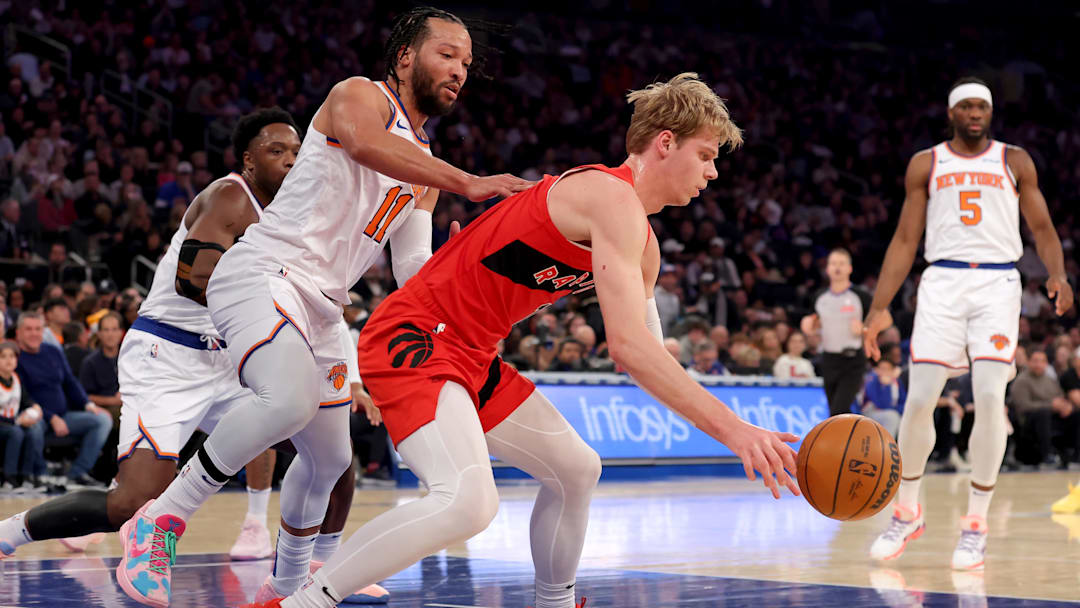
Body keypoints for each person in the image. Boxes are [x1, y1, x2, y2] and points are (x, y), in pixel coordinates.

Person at [245, 72, 799, 608]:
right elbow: (629, 347)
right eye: (706, 156)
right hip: (414, 336)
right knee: (467, 503)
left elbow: (644, 360)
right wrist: (737, 431)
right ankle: (301, 604)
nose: (713, 173)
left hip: (470, 354)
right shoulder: (609, 197)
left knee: (578, 470)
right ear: (664, 142)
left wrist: (727, 422)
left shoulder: (643, 244)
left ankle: (553, 602)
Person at [116, 8, 530, 607]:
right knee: (286, 400)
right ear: (406, 56)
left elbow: (412, 271)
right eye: (447, 54)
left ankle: (283, 587)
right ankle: (160, 521)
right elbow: (365, 144)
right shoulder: (358, 96)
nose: (459, 70)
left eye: (467, 63)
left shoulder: (426, 171)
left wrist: (473, 267)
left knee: (332, 458)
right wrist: (469, 181)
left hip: (324, 306)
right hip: (266, 271)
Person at [0, 110, 385, 604]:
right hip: (171, 354)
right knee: (132, 503)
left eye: (296, 152)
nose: (290, 161)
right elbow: (194, 278)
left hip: (231, 356)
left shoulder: (296, 220)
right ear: (247, 160)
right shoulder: (230, 196)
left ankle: (319, 563)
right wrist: (271, 315)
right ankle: (14, 530)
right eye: (276, 152)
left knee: (331, 456)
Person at [863, 77, 1072, 570]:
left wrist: (1058, 272)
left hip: (998, 284)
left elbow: (1041, 227)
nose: (975, 112)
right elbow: (904, 240)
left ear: (991, 112)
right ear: (952, 112)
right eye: (967, 106)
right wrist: (878, 307)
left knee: (990, 396)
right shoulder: (927, 163)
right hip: (941, 283)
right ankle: (908, 511)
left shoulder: (1014, 159)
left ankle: (975, 523)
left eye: (983, 106)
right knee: (918, 401)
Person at [11, 311, 112, 488]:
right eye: (28, 329)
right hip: (34, 416)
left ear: (43, 331)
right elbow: (23, 397)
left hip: (64, 416)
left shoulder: (53, 351)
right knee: (33, 425)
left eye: (38, 329)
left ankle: (77, 473)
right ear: (18, 332)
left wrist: (87, 404)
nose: (34, 333)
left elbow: (69, 381)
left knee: (102, 420)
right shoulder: (14, 357)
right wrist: (51, 417)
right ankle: (39, 475)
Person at [800, 249, 871, 415]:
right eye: (833, 264)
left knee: (838, 409)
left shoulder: (860, 296)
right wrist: (808, 325)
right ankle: (849, 438)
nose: (837, 268)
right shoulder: (819, 297)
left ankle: (846, 439)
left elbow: (883, 320)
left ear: (849, 268)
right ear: (827, 268)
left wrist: (864, 329)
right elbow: (812, 322)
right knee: (835, 410)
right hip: (829, 359)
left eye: (841, 264)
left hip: (853, 359)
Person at [0, 341, 46, 493]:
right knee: (17, 432)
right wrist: (18, 421)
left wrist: (35, 407)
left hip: (12, 422)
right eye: (3, 357)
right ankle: (9, 478)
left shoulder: (16, 378)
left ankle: (27, 477)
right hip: (4, 424)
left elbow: (26, 399)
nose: (8, 360)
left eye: (12, 356)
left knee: (33, 430)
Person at [861, 356, 906, 437]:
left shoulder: (896, 382)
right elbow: (882, 405)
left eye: (887, 369)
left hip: (892, 412)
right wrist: (886, 386)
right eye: (881, 369)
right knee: (892, 417)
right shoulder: (872, 380)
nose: (884, 372)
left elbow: (903, 403)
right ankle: (887, 447)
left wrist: (897, 411)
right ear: (876, 370)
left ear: (893, 371)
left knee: (901, 419)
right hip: (869, 413)